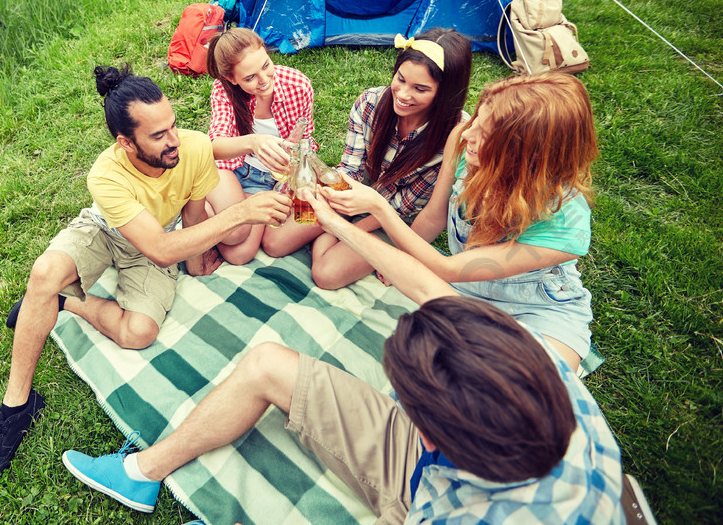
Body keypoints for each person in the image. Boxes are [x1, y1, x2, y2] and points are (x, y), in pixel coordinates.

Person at [60, 189, 624, 522]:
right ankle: (141, 472)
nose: (399, 412)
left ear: (441, 436)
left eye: (414, 412)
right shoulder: (545, 369)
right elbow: (434, 288)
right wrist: (331, 221)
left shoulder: (459, 515)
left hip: (427, 492)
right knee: (265, 363)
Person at [0, 65, 292, 488]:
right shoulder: (106, 174)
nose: (173, 139)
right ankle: (16, 408)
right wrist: (240, 212)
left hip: (158, 242)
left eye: (172, 125)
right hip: (107, 231)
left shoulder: (190, 148)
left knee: (139, 332)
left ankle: (63, 303)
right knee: (45, 272)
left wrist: (195, 256)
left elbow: (188, 221)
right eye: (158, 135)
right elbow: (157, 247)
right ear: (126, 142)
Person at [320, 73, 598, 371]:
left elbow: (447, 269)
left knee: (524, 388)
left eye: (486, 133)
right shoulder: (463, 141)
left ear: (525, 152)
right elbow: (434, 216)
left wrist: (379, 207)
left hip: (539, 308)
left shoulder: (566, 221)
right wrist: (402, 257)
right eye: (476, 118)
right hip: (466, 292)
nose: (468, 134)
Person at [262, 29, 471, 290]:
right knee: (273, 242)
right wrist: (326, 199)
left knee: (327, 274)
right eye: (401, 79)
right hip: (353, 194)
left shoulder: (456, 137)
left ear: (445, 93)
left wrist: (342, 226)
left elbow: (409, 209)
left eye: (420, 89)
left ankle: (332, 236)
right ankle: (333, 233)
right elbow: (350, 171)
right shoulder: (370, 103)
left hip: (396, 219)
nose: (403, 94)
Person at [203, 27, 315, 264]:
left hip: (268, 181)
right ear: (232, 79)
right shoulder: (224, 89)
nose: (264, 81)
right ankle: (199, 208)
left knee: (240, 254)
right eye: (250, 78)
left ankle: (229, 207)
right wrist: (254, 142)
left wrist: (296, 173)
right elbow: (214, 145)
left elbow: (307, 140)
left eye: (266, 65)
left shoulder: (298, 85)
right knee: (236, 233)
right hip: (229, 170)